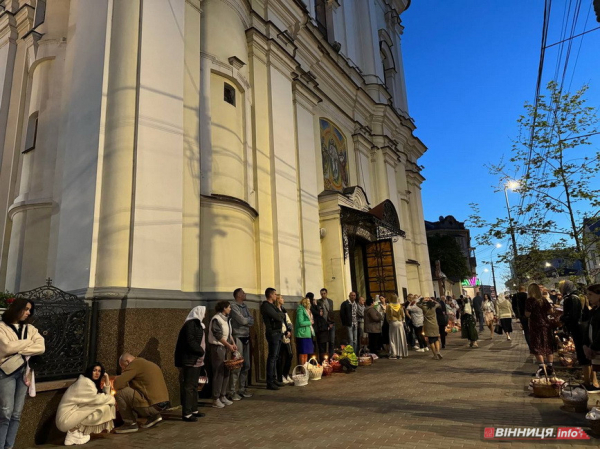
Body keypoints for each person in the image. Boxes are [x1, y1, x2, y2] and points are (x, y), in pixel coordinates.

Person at [0, 299, 45, 449]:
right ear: (16, 308)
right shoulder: (1, 327)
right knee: (5, 413)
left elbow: (41, 347)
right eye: (26, 309)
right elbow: (5, 348)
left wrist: (17, 348)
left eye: (30, 310)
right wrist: (27, 343)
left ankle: (9, 446)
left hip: (24, 372)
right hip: (6, 372)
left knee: (16, 414)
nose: (28, 313)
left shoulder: (30, 328)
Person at [56, 363, 116, 445]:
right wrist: (111, 399)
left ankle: (77, 432)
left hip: (70, 415)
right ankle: (74, 430)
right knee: (104, 408)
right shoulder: (85, 383)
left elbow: (103, 397)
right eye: (94, 370)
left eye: (99, 371)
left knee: (104, 406)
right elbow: (99, 399)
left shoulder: (88, 382)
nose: (97, 373)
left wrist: (106, 377)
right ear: (90, 371)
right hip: (66, 419)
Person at [113, 353, 169, 433]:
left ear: (127, 361)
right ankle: (153, 417)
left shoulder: (135, 364)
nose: (123, 368)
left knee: (120, 393)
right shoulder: (147, 363)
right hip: (162, 406)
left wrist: (123, 374)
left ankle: (130, 424)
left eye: (123, 366)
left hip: (152, 407)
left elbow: (118, 383)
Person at [559, 280, 595, 391]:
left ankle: (588, 382)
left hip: (578, 329)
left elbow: (574, 316)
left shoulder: (571, 298)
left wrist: (562, 318)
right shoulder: (577, 296)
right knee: (586, 356)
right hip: (582, 328)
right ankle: (589, 381)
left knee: (583, 355)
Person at [174, 305, 206, 421]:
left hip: (197, 360)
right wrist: (200, 351)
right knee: (189, 386)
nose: (205, 315)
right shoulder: (190, 324)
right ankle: (187, 413)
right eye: (203, 312)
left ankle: (194, 409)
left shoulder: (198, 325)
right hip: (190, 359)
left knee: (194, 386)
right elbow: (190, 341)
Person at [208, 300, 237, 408]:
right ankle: (215, 398)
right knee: (219, 372)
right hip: (217, 348)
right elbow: (218, 335)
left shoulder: (227, 319)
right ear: (224, 308)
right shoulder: (216, 319)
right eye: (229, 307)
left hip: (225, 347)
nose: (230, 309)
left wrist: (233, 343)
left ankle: (223, 395)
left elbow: (229, 333)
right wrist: (228, 345)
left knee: (226, 370)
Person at [229, 288, 254, 401]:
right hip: (238, 336)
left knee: (246, 365)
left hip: (246, 337)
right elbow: (242, 321)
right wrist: (247, 320)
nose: (245, 294)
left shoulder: (245, 306)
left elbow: (251, 320)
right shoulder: (233, 306)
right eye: (243, 293)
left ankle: (242, 389)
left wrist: (247, 320)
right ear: (238, 295)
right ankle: (232, 391)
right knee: (237, 365)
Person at [526, 283, 556, 377]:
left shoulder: (529, 300)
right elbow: (551, 311)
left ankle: (542, 368)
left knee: (537, 346)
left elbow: (527, 314)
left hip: (535, 326)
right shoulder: (543, 299)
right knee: (547, 344)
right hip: (546, 325)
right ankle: (550, 367)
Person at [260, 288, 284, 390]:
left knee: (275, 357)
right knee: (272, 357)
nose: (276, 296)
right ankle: (269, 381)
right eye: (274, 294)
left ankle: (274, 379)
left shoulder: (273, 306)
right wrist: (280, 314)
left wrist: (279, 313)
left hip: (277, 332)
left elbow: (281, 315)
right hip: (273, 333)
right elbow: (278, 317)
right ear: (270, 295)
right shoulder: (266, 306)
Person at [583, 284, 600, 392]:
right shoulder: (594, 310)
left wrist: (593, 347)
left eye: (591, 294)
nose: (588, 297)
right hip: (594, 348)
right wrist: (585, 345)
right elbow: (588, 327)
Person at [276, 295, 293, 385]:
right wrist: (284, 332)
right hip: (280, 336)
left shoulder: (283, 309)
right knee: (280, 357)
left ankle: (286, 374)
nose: (283, 300)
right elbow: (279, 323)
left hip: (286, 336)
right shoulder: (275, 310)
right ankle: (281, 376)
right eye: (281, 298)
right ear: (278, 300)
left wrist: (289, 330)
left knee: (290, 355)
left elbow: (288, 321)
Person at [386, 294, 408, 359]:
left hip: (393, 322)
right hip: (400, 322)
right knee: (401, 337)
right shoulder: (400, 306)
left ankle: (394, 353)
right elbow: (403, 315)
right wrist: (403, 321)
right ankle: (401, 353)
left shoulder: (389, 306)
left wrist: (389, 322)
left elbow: (387, 316)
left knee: (392, 338)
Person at [295, 297, 315, 365]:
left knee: (306, 353)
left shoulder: (308, 310)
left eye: (309, 302)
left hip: (308, 332)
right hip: (302, 333)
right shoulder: (300, 310)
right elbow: (300, 322)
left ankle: (305, 368)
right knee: (302, 352)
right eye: (308, 302)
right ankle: (302, 368)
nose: (309, 303)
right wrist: (309, 322)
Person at [317, 288, 335, 358]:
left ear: (326, 293)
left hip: (331, 322)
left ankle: (331, 356)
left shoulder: (330, 301)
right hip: (323, 324)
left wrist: (331, 323)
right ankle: (324, 357)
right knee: (324, 341)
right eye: (321, 294)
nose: (323, 295)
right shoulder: (319, 301)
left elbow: (331, 312)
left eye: (324, 293)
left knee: (332, 341)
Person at [515, 285, 531, 350]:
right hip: (529, 314)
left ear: (519, 289)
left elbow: (514, 307)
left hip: (521, 315)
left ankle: (530, 346)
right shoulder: (527, 296)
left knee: (526, 330)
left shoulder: (515, 296)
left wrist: (517, 315)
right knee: (532, 329)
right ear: (524, 289)